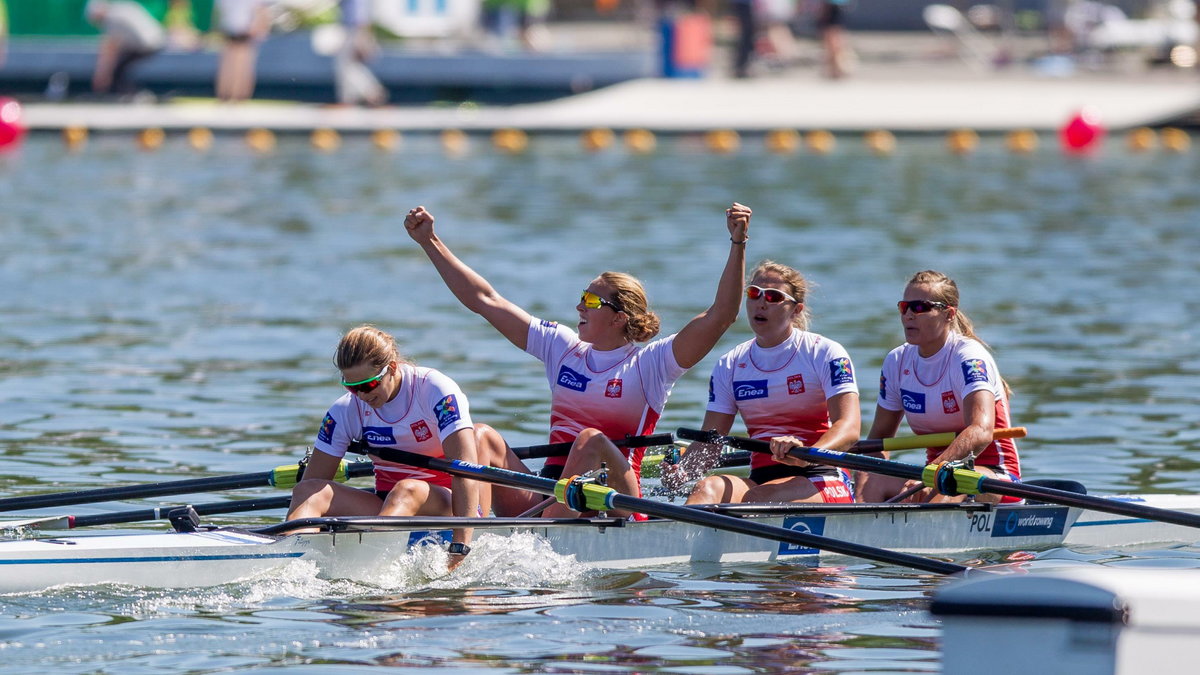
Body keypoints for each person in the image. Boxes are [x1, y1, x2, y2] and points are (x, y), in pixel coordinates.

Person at [403, 203, 749, 519]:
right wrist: (429, 241)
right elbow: (485, 299)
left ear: (618, 318)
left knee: (590, 440)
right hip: (549, 488)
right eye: (582, 296)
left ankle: (532, 527)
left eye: (591, 300)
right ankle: (472, 527)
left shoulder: (652, 363)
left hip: (614, 494)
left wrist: (737, 245)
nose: (579, 306)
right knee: (481, 436)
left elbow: (720, 317)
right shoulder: (562, 347)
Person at [287, 325, 481, 566]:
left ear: (391, 368)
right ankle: (285, 560)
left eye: (368, 385)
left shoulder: (435, 390)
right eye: (351, 387)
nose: (361, 396)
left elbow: (467, 470)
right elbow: (315, 483)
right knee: (308, 491)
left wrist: (461, 545)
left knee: (406, 489)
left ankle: (368, 564)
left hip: (449, 503)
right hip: (386, 504)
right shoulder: (345, 409)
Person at [682, 261, 860, 505]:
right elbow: (710, 442)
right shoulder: (730, 364)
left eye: (774, 297)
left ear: (796, 310)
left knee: (758, 498)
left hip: (820, 475)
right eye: (754, 293)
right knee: (707, 488)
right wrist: (680, 472)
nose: (761, 302)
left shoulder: (825, 352)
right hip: (761, 480)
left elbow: (849, 428)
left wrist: (807, 456)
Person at [852, 270, 1021, 504]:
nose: (909, 315)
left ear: (949, 314)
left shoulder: (969, 358)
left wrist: (931, 472)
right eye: (904, 307)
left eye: (920, 307)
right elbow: (878, 441)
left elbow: (981, 431)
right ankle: (857, 521)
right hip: (935, 474)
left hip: (993, 476)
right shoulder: (897, 361)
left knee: (945, 485)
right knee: (871, 474)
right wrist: (862, 481)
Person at [84, 0, 167, 96]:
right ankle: (127, 92)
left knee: (119, 68)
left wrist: (102, 75)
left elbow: (111, 49)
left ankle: (127, 94)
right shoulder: (121, 8)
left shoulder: (112, 19)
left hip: (148, 45)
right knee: (121, 65)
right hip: (156, 39)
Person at [214, 0, 271, 102]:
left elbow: (261, 11)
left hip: (242, 29)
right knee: (234, 64)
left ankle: (235, 96)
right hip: (237, 28)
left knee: (238, 63)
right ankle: (230, 95)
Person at [335, 0, 387, 106]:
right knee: (346, 65)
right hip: (351, 29)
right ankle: (350, 100)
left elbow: (360, 13)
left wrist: (362, 34)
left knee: (348, 66)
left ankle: (373, 93)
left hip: (355, 30)